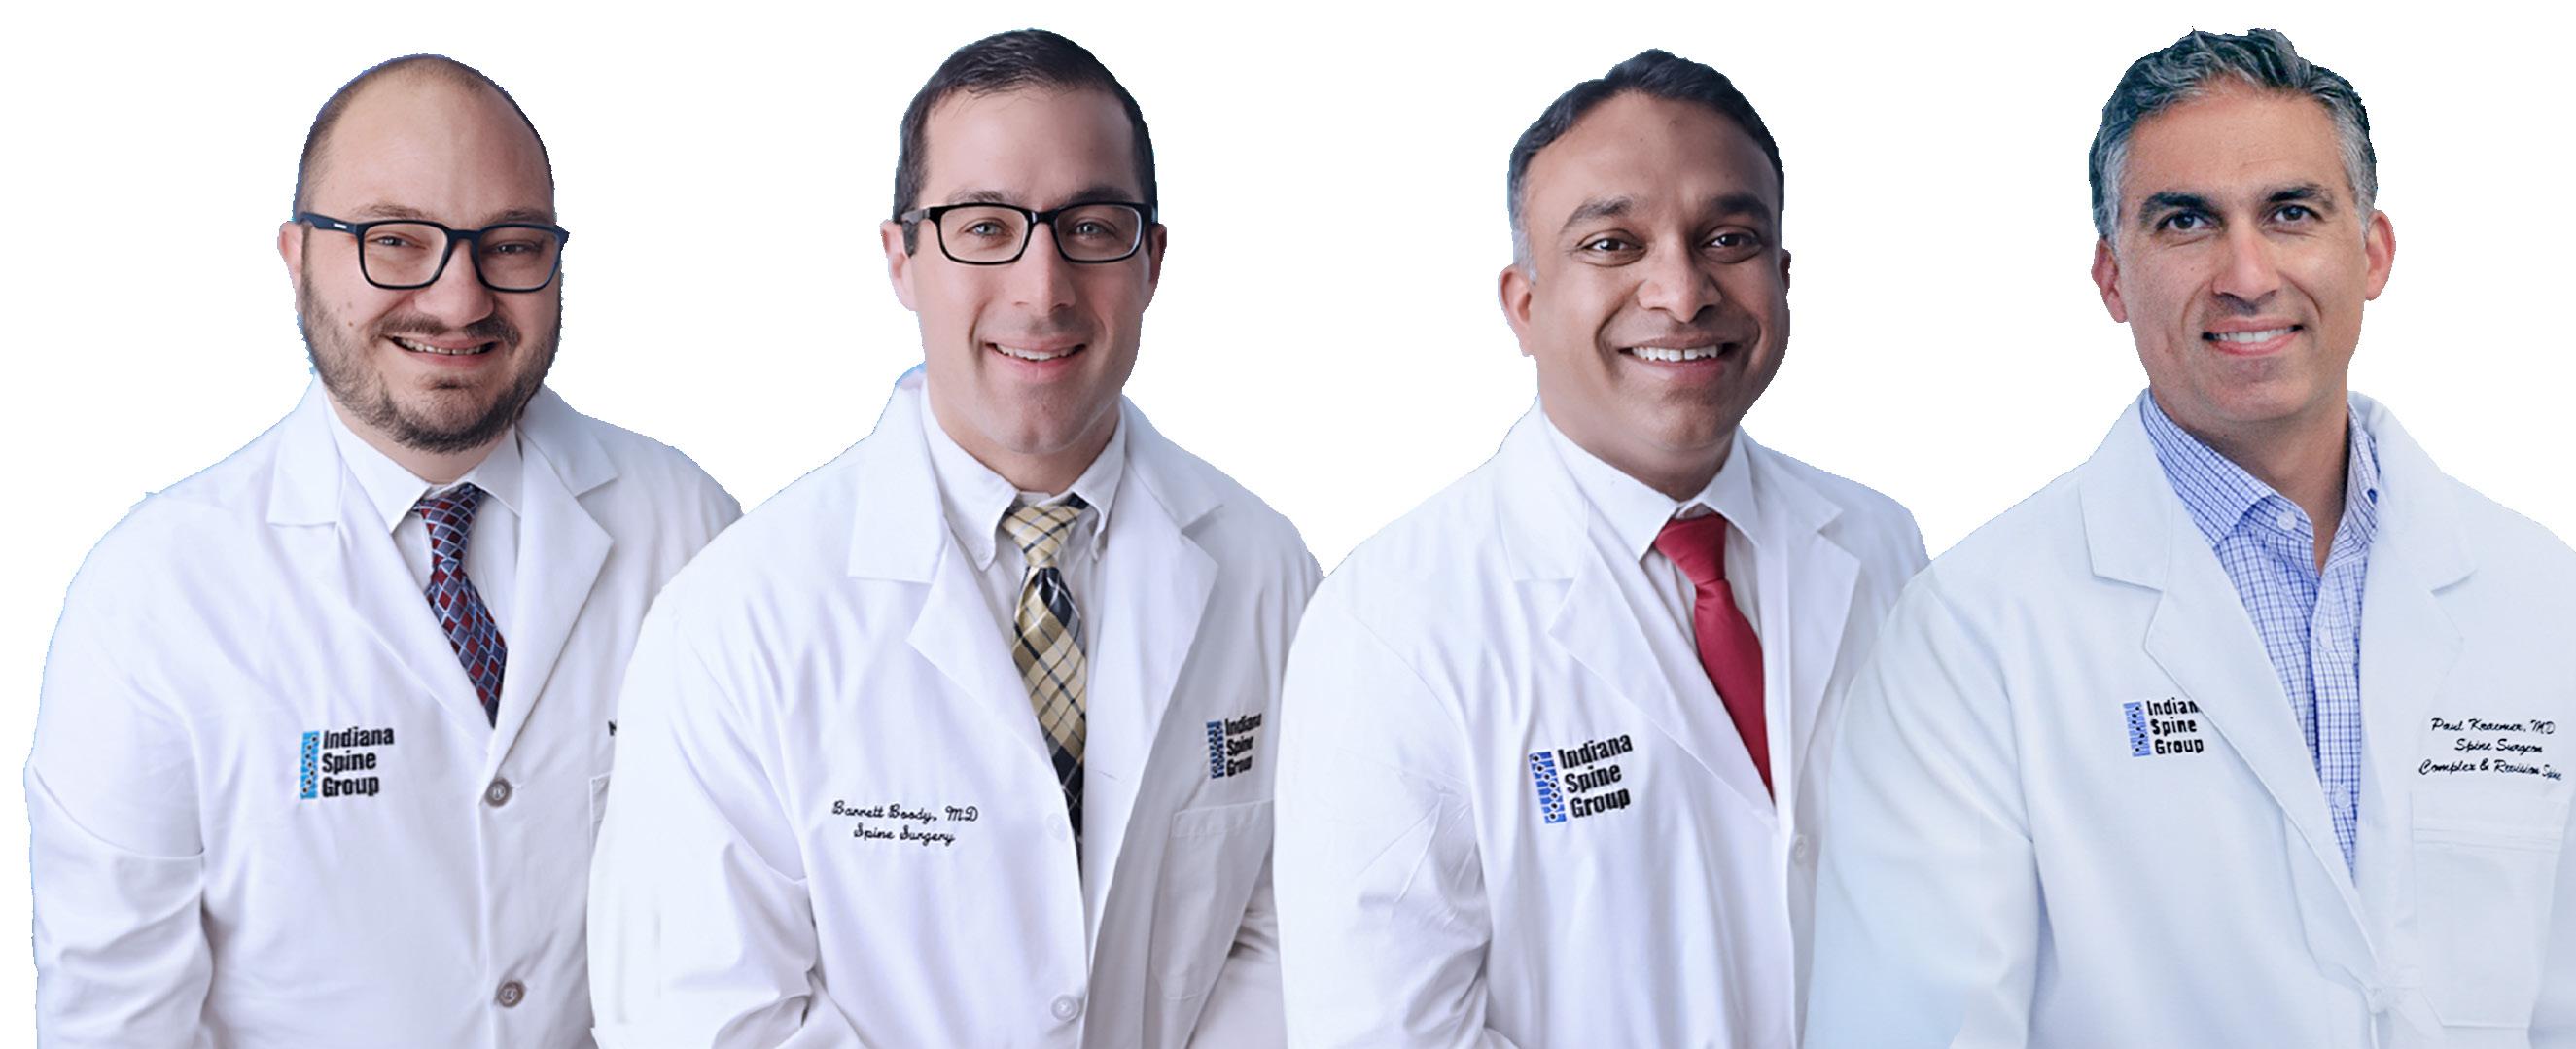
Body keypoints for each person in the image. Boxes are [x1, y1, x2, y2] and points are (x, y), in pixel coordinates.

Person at [1805, 28, 2576, 1048]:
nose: (2246, 274)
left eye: (2291, 212)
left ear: (2372, 251)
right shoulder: (1971, 633)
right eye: (2185, 221)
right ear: (2112, 277)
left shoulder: (2541, 598)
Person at [585, 28, 1318, 1048]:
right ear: (902, 258)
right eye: (984, 227)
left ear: (1151, 260)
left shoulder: (1268, 573)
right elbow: (702, 1012)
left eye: (1091, 227)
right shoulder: (736, 615)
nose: (1042, 289)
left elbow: (1297, 931)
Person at [27, 54, 739, 1047]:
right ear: (296, 258)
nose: (458, 300)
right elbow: (115, 1023)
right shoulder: (153, 597)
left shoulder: (688, 528)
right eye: (394, 242)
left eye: (511, 244)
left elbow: (760, 918)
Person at [1272, 49, 1928, 1047]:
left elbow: (1942, 906)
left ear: (1783, 277)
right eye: (1613, 244)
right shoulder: (1390, 620)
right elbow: (1386, 1030)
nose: (1681, 290)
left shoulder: (1880, 543)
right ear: (1524, 305)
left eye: (1729, 238)